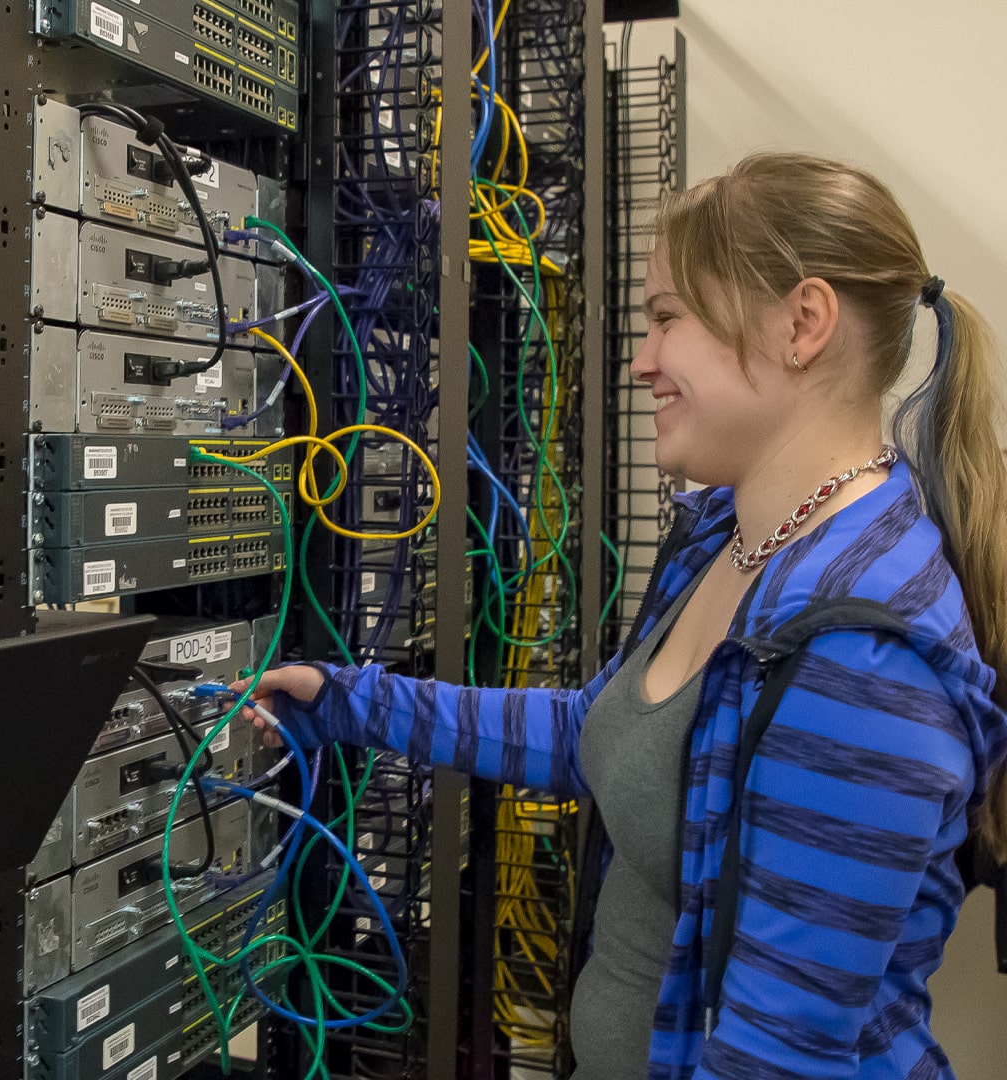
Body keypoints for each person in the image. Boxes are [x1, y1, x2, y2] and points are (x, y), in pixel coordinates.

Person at [239, 153, 1007, 1079]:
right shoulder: (733, 536)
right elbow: (597, 735)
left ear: (802, 324)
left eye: (668, 317)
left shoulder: (859, 656)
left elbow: (773, 1061)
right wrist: (347, 701)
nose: (642, 360)